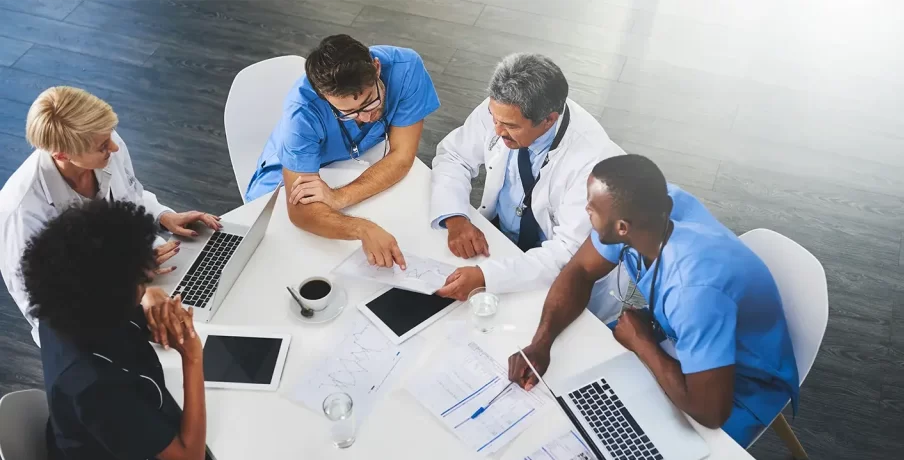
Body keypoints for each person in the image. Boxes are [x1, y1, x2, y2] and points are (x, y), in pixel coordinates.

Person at [508, 155, 800, 447]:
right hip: (677, 335)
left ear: (622, 227)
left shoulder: (693, 291)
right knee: (577, 397)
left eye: (591, 207)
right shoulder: (648, 206)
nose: (585, 210)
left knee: (627, 446)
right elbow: (580, 270)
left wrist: (642, 343)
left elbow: (711, 412)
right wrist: (541, 343)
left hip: (741, 385)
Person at [25, 200, 250, 460]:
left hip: (102, 442)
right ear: (109, 292)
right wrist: (192, 358)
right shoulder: (92, 384)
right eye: (140, 278)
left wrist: (151, 301)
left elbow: (126, 321)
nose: (147, 279)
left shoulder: (63, 307)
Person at [0, 86, 221, 346]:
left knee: (211, 302)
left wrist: (161, 216)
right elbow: (43, 309)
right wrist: (126, 281)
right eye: (103, 146)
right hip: (93, 320)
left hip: (145, 272)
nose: (114, 147)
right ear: (62, 155)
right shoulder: (19, 213)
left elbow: (130, 195)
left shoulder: (104, 141)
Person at [429, 53, 623, 322]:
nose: (497, 131)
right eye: (493, 119)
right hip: (503, 243)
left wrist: (488, 277)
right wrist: (455, 217)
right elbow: (454, 157)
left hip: (563, 272)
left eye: (509, 126)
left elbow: (569, 252)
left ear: (549, 120)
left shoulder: (596, 164)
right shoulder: (502, 109)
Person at [248, 34, 440, 268]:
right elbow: (301, 212)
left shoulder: (407, 69)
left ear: (376, 67)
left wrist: (338, 197)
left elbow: (401, 157)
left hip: (348, 169)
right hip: (282, 183)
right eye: (348, 113)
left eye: (371, 101)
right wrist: (362, 228)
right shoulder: (301, 112)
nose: (367, 117)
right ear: (324, 98)